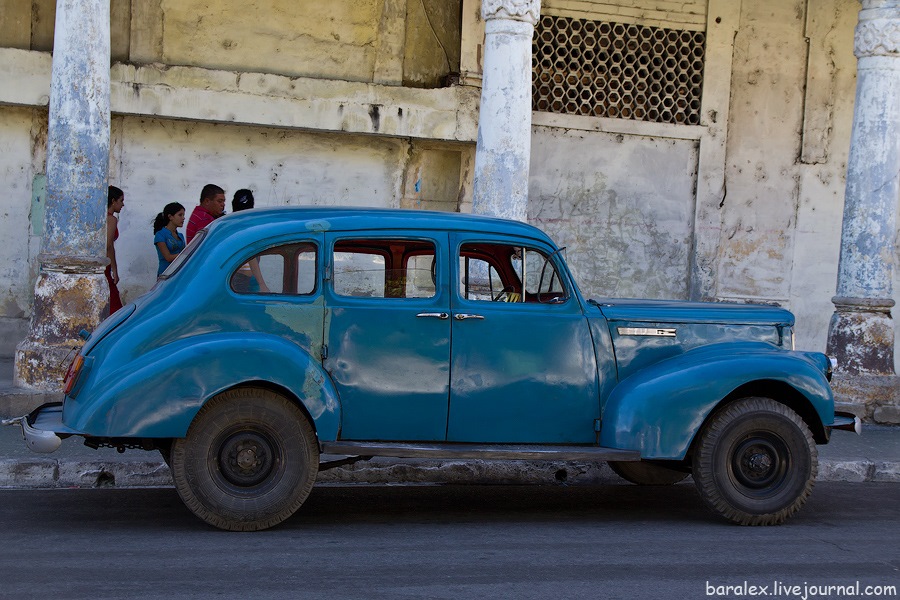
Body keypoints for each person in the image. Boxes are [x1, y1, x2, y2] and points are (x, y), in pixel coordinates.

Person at [230, 189, 269, 293]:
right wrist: (261, 283)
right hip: (240, 279)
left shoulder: (230, 224)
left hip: (243, 277)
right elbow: (251, 255)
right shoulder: (244, 226)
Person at [105, 186, 125, 315]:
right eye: (121, 200)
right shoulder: (111, 219)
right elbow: (108, 246)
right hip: (105, 265)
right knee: (114, 306)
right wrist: (115, 270)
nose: (123, 204)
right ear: (113, 201)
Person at [152, 202, 186, 277]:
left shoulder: (180, 236)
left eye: (183, 215)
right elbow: (168, 257)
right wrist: (185, 254)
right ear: (170, 217)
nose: (183, 218)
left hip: (179, 273)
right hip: (165, 274)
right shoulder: (160, 235)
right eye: (180, 215)